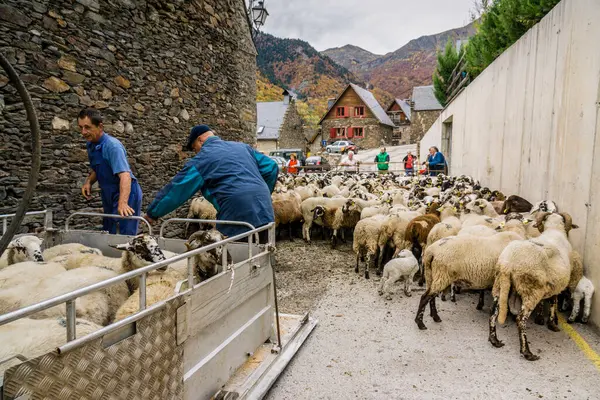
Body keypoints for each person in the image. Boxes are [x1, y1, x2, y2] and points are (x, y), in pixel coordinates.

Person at [144, 125, 279, 242]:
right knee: (262, 254)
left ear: (200, 140)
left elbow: (178, 188)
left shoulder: (203, 159)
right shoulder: (243, 147)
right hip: (264, 208)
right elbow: (272, 167)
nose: (195, 152)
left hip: (235, 210)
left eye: (194, 147)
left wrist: (153, 213)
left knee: (231, 257)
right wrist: (263, 192)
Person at [78, 108, 142, 235]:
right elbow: (99, 168)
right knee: (108, 232)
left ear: (100, 126)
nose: (83, 132)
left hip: (126, 193)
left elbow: (125, 175)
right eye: (81, 128)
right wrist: (89, 182)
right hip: (108, 193)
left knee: (124, 235)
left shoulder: (112, 146)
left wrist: (123, 203)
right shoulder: (91, 144)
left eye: (87, 127)